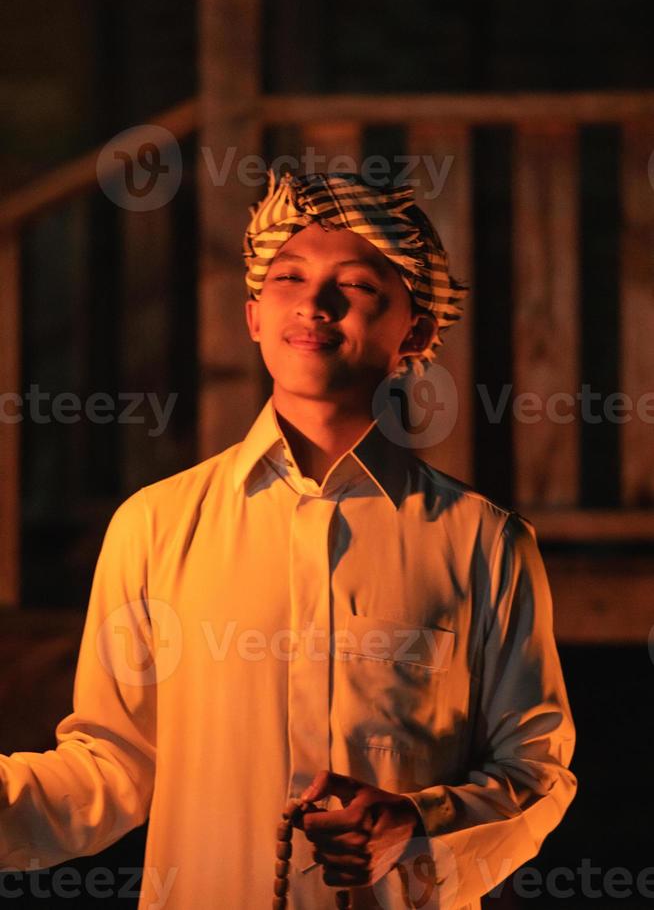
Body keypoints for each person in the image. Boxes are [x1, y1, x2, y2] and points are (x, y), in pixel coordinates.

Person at [0, 170, 577, 910]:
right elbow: (114, 767)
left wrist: (417, 824)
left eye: (359, 284)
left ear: (418, 330)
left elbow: (537, 769)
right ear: (252, 315)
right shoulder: (154, 524)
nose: (314, 302)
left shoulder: (483, 543)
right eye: (289, 277)